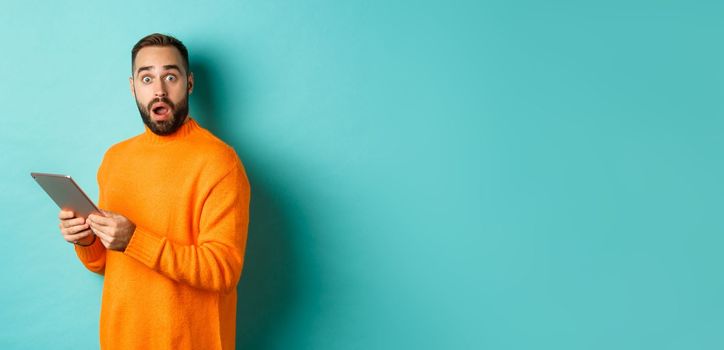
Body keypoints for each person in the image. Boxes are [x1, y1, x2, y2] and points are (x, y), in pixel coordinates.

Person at [56, 33, 250, 350]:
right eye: (147, 78)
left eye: (170, 76)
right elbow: (105, 264)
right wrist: (87, 239)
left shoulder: (219, 162)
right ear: (133, 87)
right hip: (121, 339)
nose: (158, 90)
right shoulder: (115, 159)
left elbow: (222, 271)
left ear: (189, 83)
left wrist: (134, 239)